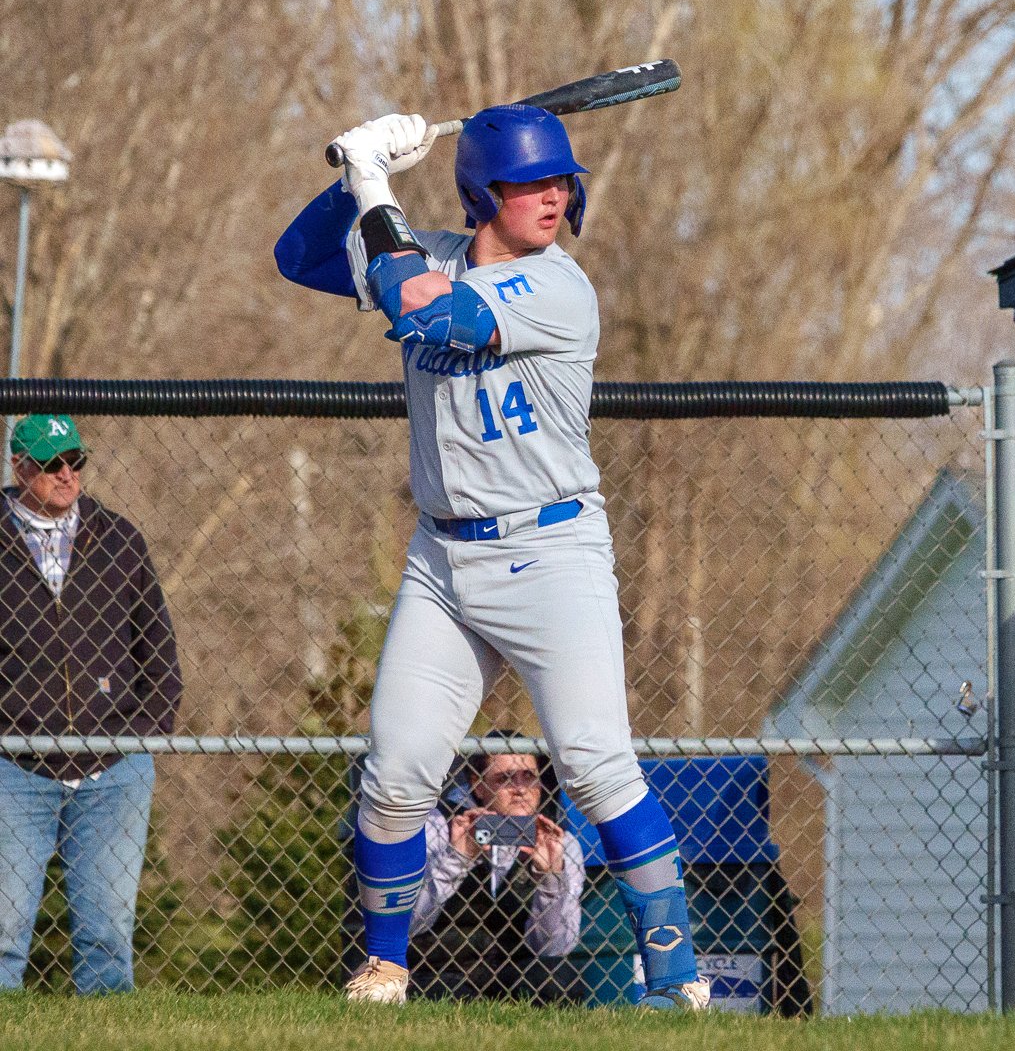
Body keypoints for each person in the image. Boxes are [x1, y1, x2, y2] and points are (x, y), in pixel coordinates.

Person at [275, 106, 710, 1010]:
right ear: (482, 192)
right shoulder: (427, 248)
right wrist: (358, 163)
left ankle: (675, 981)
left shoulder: (559, 286)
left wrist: (371, 185)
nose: (551, 195)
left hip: (549, 550)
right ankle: (386, 966)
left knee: (594, 766)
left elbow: (420, 311)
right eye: (525, 183)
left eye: (559, 180)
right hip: (444, 556)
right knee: (395, 774)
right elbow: (299, 256)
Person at [0, 414, 182, 994]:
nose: (66, 475)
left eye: (75, 461)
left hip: (112, 766)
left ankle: (104, 1029)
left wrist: (137, 740)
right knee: (4, 929)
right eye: (51, 464)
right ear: (19, 468)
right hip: (14, 764)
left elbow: (159, 653)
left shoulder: (118, 537)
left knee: (106, 931)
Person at [407, 732, 585, 1004]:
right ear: (477, 786)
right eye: (505, 778)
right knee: (449, 993)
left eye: (529, 776)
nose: (521, 789)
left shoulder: (558, 841)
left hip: (512, 968)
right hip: (437, 965)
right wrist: (457, 859)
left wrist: (550, 879)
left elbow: (555, 948)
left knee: (559, 980)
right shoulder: (439, 825)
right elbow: (408, 923)